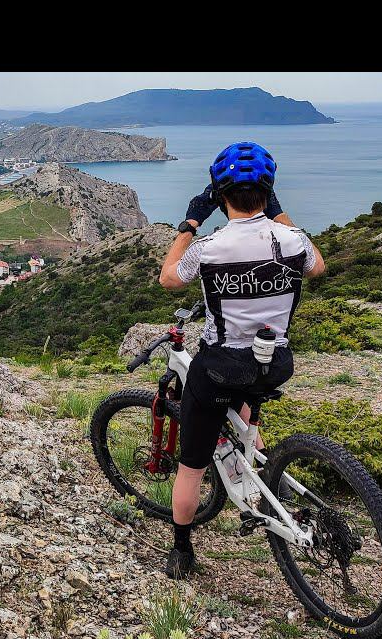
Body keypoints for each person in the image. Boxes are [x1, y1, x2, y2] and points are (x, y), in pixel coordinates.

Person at [157, 141, 326, 579]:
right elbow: (317, 267)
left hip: (220, 366)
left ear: (219, 195)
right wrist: (276, 211)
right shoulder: (293, 240)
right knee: (247, 397)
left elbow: (169, 278)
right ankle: (263, 473)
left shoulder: (210, 246)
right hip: (275, 362)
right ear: (268, 191)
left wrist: (190, 222)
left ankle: (181, 549)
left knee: (191, 466)